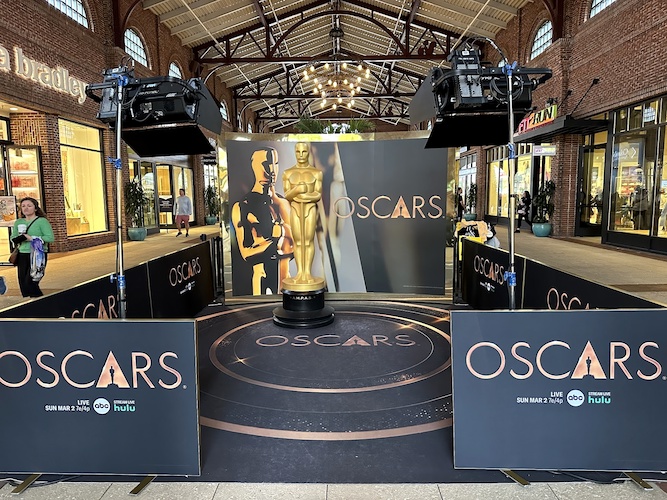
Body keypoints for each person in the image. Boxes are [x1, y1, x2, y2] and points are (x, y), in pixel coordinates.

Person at [231, 147, 293, 295]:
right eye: (266, 164)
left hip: (287, 283)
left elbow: (297, 246)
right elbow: (246, 253)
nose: (271, 170)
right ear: (254, 166)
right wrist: (277, 241)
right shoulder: (243, 207)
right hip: (263, 283)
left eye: (275, 163)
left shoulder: (284, 204)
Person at [281, 142, 324, 291]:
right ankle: (300, 273)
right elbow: (287, 195)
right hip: (295, 209)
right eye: (298, 152)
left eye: (304, 152)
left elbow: (317, 195)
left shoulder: (316, 173)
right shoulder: (288, 173)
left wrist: (304, 196)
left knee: (308, 241)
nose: (300, 155)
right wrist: (298, 190)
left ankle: (307, 273)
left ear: (308, 152)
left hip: (310, 209)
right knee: (298, 241)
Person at [10, 197, 54, 297]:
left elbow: (50, 238)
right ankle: (31, 302)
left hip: (37, 254)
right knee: (23, 284)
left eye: (29, 206)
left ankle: (42, 302)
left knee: (31, 282)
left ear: (35, 208)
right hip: (22, 254)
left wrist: (31, 238)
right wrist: (18, 238)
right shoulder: (18, 222)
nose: (26, 208)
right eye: (23, 206)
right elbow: (13, 237)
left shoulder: (42, 221)